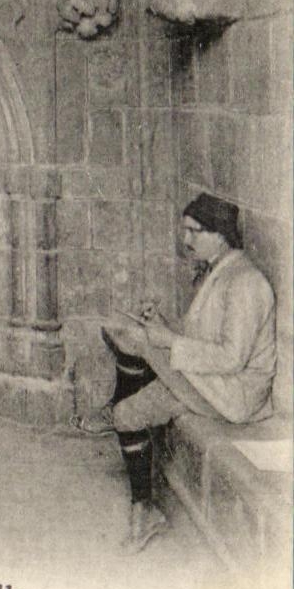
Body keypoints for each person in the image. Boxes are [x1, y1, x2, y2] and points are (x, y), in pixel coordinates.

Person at [73, 194, 276, 553]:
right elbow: (203, 337)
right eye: (185, 231)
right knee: (132, 344)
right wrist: (164, 326)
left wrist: (165, 340)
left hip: (234, 395)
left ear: (220, 234)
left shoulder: (246, 283)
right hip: (215, 381)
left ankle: (140, 498)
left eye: (195, 231)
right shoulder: (221, 270)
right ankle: (141, 499)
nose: (186, 240)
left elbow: (231, 359)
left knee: (133, 375)